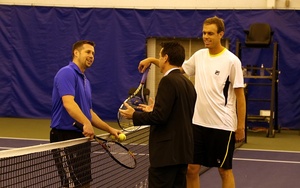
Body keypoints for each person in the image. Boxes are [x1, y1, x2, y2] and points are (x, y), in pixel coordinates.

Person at [138, 16, 246, 188]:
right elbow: (175, 68)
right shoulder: (199, 56)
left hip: (223, 126)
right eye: (204, 33)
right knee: (191, 169)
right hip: (196, 124)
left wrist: (240, 126)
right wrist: (152, 60)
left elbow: (240, 95)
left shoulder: (232, 61)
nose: (206, 37)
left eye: (210, 33)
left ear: (221, 34)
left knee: (224, 171)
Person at [119, 41, 197, 188]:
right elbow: (177, 114)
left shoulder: (168, 81)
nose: (159, 60)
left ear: (165, 58)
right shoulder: (188, 84)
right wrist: (154, 110)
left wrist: (134, 115)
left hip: (166, 155)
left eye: (160, 56)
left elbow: (160, 117)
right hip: (183, 153)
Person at [50, 40, 121, 187]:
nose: (91, 56)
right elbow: (69, 104)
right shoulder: (66, 73)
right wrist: (86, 123)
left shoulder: (85, 81)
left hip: (80, 137)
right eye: (88, 52)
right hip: (64, 137)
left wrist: (109, 129)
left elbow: (89, 113)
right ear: (76, 53)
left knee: (84, 183)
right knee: (70, 185)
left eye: (93, 53)